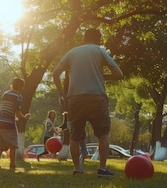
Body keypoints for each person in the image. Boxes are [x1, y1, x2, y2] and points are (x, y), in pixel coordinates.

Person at [52, 28, 124, 177]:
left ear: (83, 39)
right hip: (96, 97)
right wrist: (102, 75)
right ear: (99, 40)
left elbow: (55, 73)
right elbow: (118, 74)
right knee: (103, 134)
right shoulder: (99, 50)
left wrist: (62, 94)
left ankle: (77, 169)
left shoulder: (72, 53)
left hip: (74, 99)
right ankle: (102, 169)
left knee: (75, 136)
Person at [0, 78, 31, 171]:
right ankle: (12, 165)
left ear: (12, 84)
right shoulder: (18, 96)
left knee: (0, 146)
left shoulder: (5, 93)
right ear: (22, 87)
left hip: (0, 121)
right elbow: (17, 112)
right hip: (9, 123)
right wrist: (24, 117)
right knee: (13, 145)